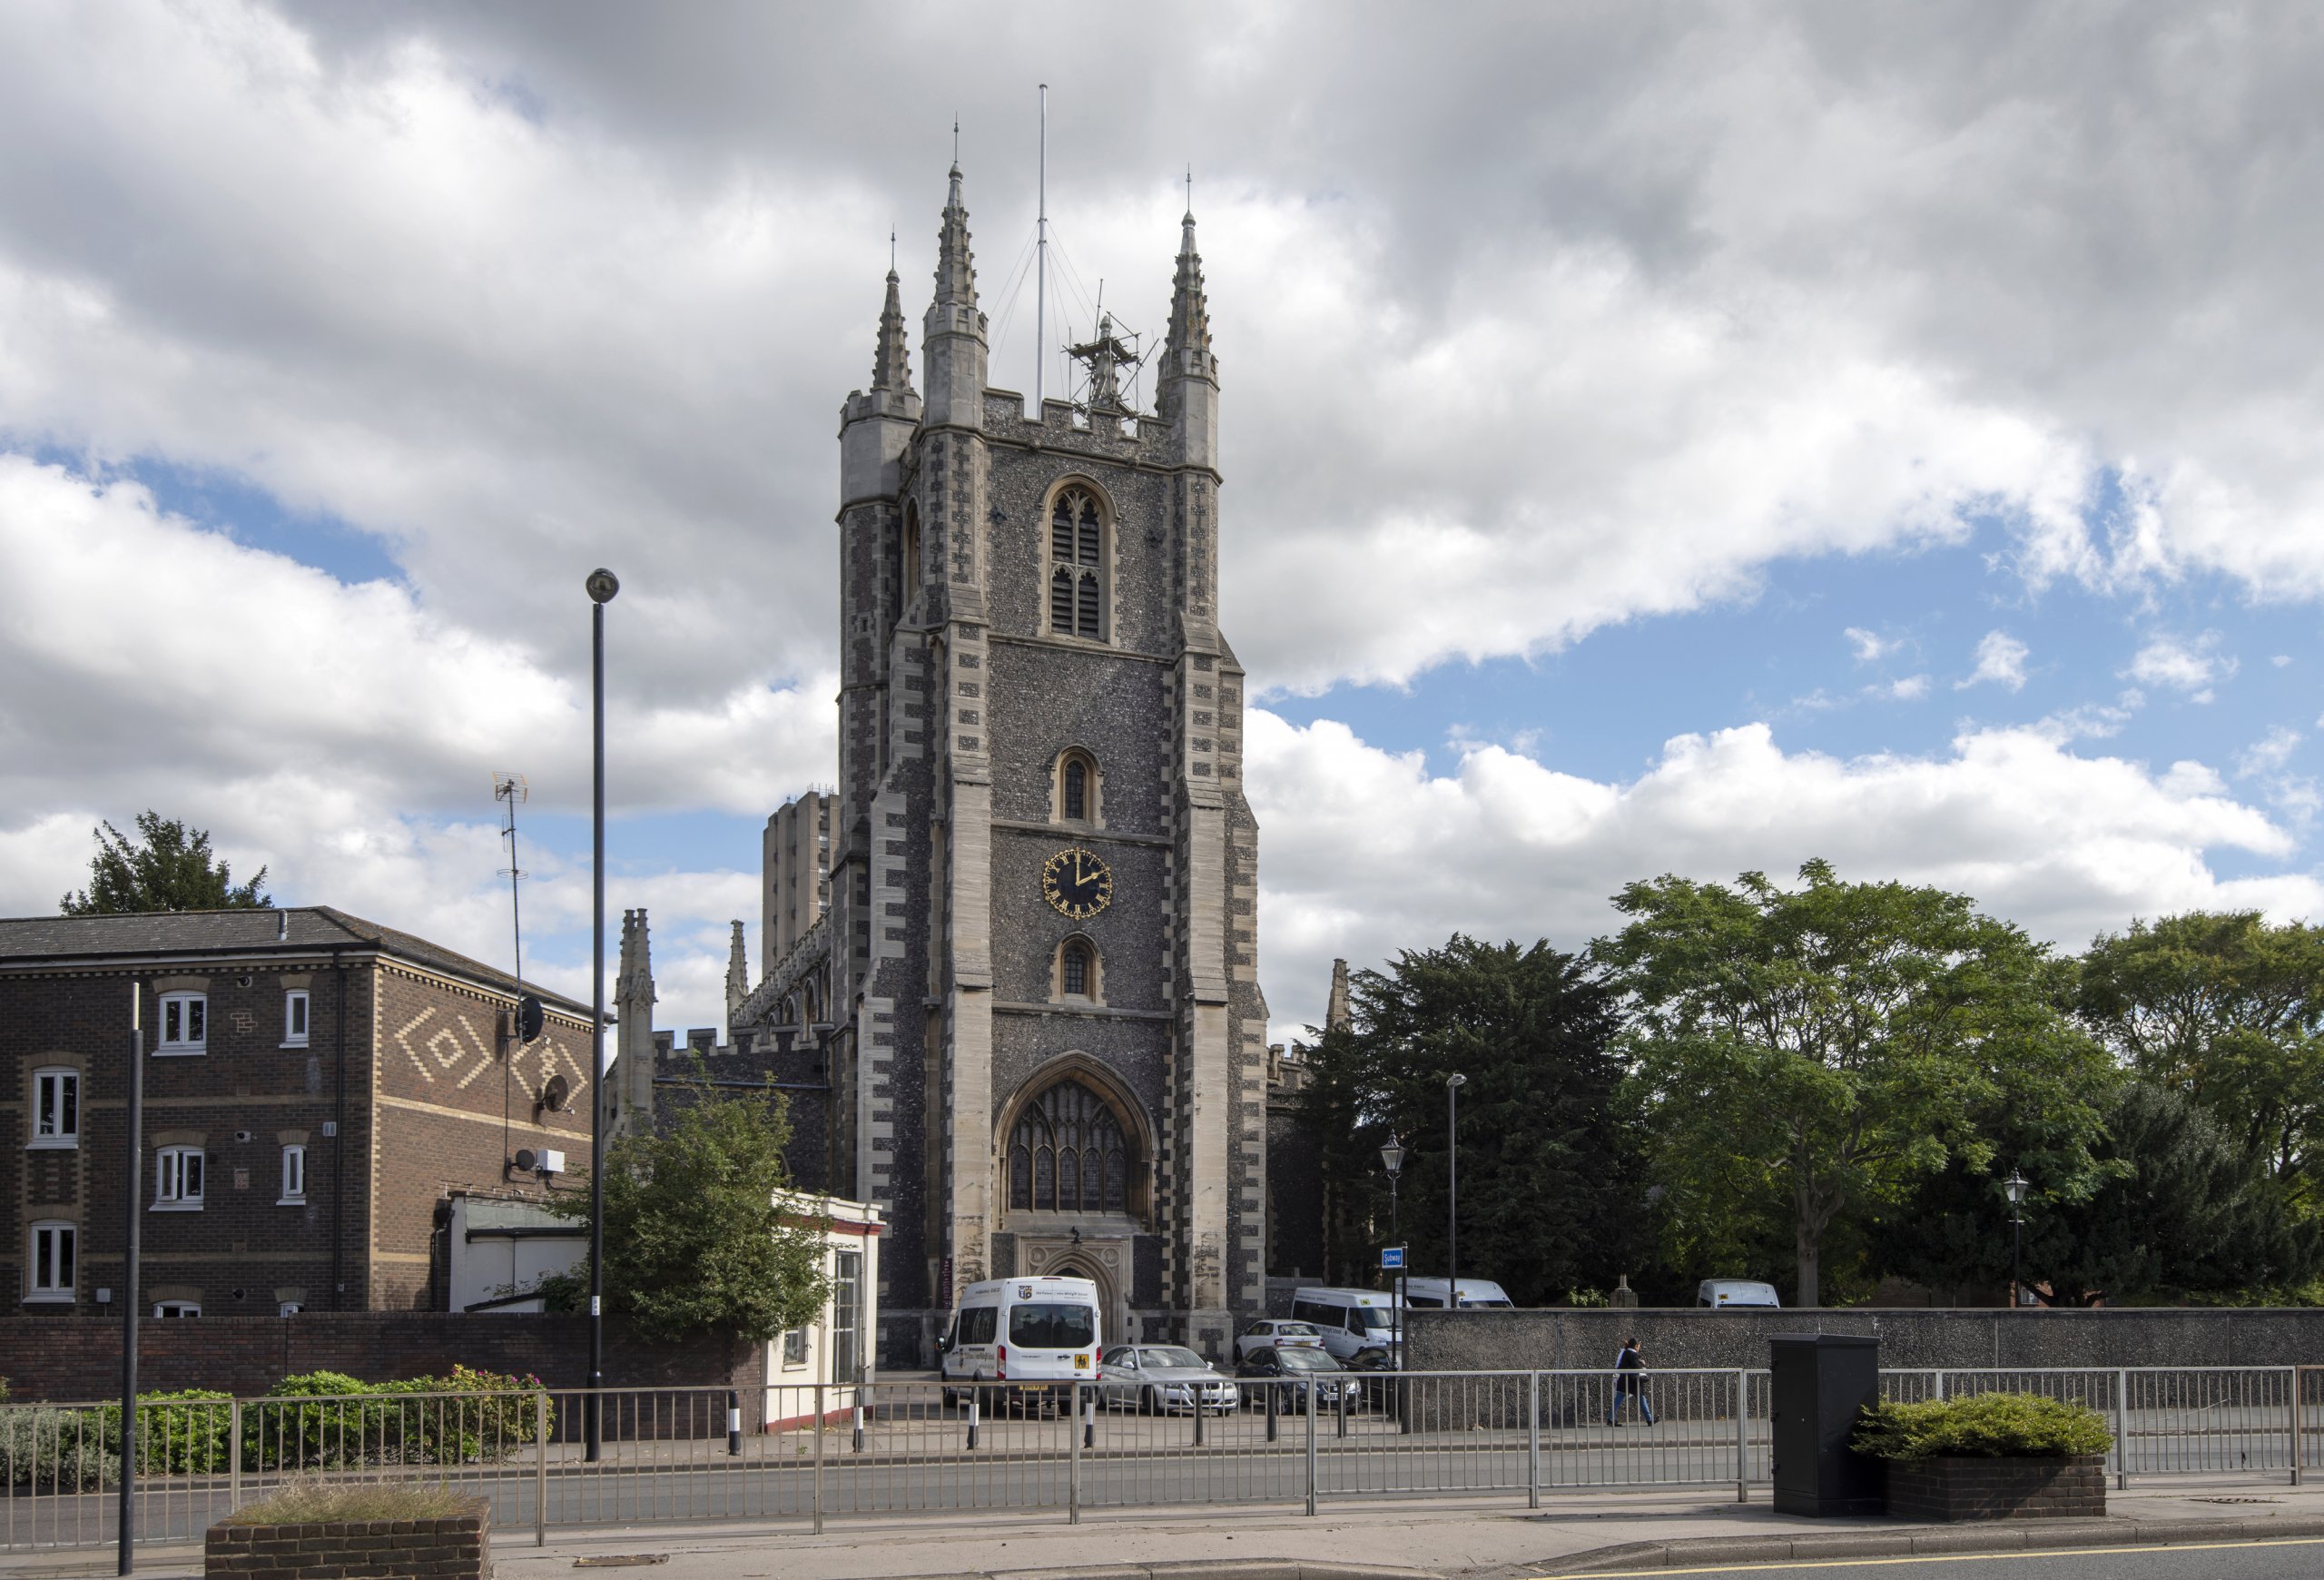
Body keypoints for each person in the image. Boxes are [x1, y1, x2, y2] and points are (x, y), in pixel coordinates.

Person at [1608, 1338, 1654, 1426]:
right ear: (1636, 1346)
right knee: (1642, 1399)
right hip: (1633, 1381)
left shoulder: (1625, 1352)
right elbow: (1635, 1366)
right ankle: (1649, 1419)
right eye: (1639, 1346)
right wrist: (1642, 1364)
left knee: (1617, 1400)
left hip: (1623, 1380)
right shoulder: (1633, 1354)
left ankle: (1611, 1419)